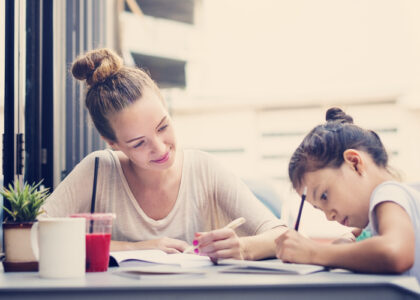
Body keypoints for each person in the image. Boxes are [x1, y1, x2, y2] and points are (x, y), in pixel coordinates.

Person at [42, 48, 287, 261]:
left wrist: (242, 247)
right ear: (113, 143)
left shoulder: (205, 170)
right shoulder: (98, 170)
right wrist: (138, 249)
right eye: (138, 143)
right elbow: (33, 236)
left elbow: (282, 235)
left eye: (163, 127)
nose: (160, 148)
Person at [275, 107, 420, 280]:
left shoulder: (388, 194)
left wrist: (314, 253)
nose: (329, 216)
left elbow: (395, 251)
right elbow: (363, 234)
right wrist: (349, 238)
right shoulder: (382, 212)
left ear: (354, 163)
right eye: (319, 208)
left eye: (324, 196)